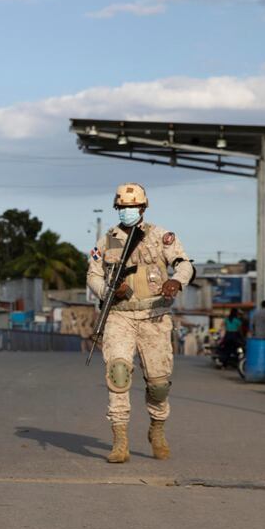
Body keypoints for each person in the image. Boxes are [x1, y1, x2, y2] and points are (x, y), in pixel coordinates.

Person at [87, 183, 195, 463]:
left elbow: (185, 264)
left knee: (159, 385)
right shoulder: (108, 240)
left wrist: (176, 281)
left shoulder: (161, 237)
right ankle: (120, 439)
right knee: (118, 374)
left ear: (144, 208)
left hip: (154, 316)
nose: (127, 211)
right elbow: (93, 275)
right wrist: (109, 292)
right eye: (122, 207)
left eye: (132, 207)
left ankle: (157, 428)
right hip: (120, 316)